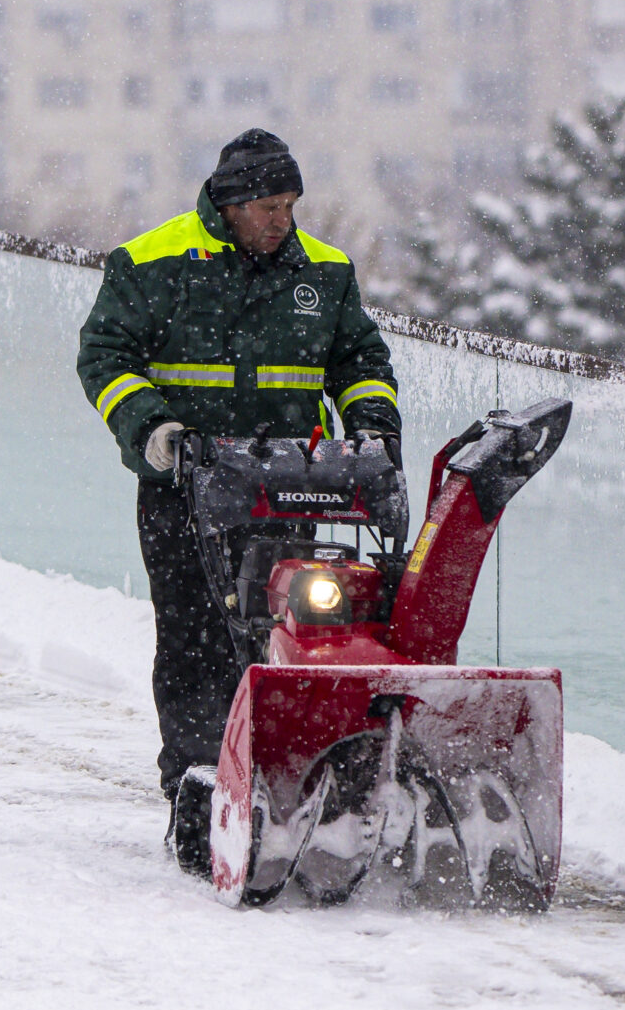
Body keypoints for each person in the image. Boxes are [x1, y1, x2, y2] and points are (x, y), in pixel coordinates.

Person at [75, 129, 403, 792]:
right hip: (184, 489)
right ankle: (199, 781)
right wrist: (153, 429)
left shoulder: (325, 271)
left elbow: (360, 363)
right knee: (194, 636)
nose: (283, 222)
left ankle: (288, 771)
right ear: (229, 205)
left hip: (292, 486)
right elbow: (105, 356)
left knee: (294, 629)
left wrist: (370, 430)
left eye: (291, 205)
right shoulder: (152, 263)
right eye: (268, 208)